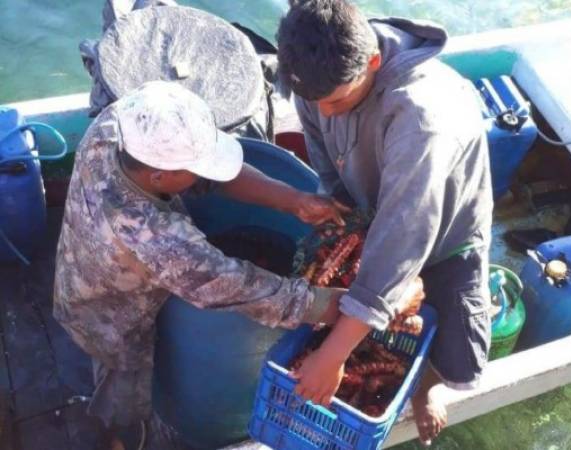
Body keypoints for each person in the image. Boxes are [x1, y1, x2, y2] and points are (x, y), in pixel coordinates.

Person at [53, 80, 349, 449]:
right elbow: (237, 286)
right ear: (159, 177)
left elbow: (217, 178)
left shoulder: (118, 127)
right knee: (122, 381)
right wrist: (331, 306)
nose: (206, 173)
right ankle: (120, 434)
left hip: (81, 261)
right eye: (196, 167)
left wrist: (292, 200)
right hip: (108, 315)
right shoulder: (156, 238)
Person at [277, 0, 494, 444]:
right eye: (315, 101)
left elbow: (404, 234)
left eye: (336, 100)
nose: (327, 112)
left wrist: (334, 355)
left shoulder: (422, 117)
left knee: (461, 361)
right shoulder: (317, 76)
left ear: (373, 61)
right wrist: (339, 206)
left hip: (448, 231)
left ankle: (427, 386)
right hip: (378, 206)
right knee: (361, 298)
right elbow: (324, 152)